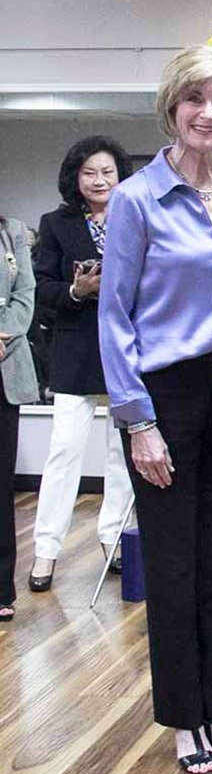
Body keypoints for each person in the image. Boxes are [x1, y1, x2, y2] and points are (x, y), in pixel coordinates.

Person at [99, 45, 212, 774]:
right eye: (195, 98)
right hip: (164, 392)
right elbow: (113, 318)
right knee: (173, 562)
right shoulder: (137, 199)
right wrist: (138, 421)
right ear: (172, 106)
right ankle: (184, 717)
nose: (208, 113)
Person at [30, 136, 135, 592]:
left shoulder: (136, 217)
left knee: (122, 456)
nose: (99, 180)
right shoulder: (55, 224)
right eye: (89, 172)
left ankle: (114, 540)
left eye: (107, 172)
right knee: (64, 452)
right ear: (75, 178)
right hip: (75, 352)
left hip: (126, 351)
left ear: (121, 176)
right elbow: (42, 289)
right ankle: (45, 551)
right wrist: (78, 291)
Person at [0, 216, 40, 622]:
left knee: (1, 488)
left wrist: (4, 333)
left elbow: (24, 292)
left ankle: (0, 588)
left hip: (4, 365)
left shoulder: (11, 231)